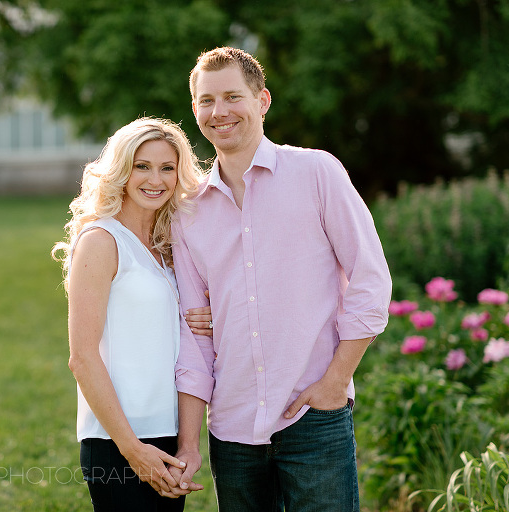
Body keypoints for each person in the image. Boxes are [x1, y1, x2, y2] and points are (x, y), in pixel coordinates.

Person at [167, 47, 392, 511]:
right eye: (207, 101)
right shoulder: (187, 211)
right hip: (231, 427)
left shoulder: (316, 172)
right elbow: (194, 336)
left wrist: (336, 381)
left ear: (263, 100)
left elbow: (371, 278)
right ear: (195, 110)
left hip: (313, 415)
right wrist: (189, 443)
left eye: (233, 96)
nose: (219, 111)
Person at [52, 117, 210, 511]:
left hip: (168, 434)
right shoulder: (101, 241)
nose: (155, 179)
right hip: (116, 441)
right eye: (142, 166)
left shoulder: (169, 247)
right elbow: (82, 358)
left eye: (167, 168)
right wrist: (132, 450)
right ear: (121, 169)